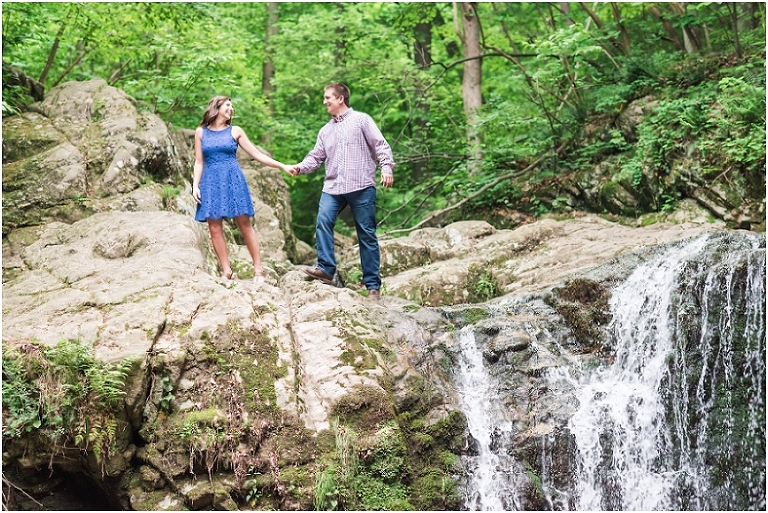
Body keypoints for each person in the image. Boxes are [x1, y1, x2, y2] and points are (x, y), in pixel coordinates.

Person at [291, 82, 395, 300]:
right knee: (323, 221)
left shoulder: (362, 120)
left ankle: (373, 287)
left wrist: (386, 167)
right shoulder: (325, 131)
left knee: (366, 234)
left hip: (361, 185)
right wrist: (299, 167)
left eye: (327, 97)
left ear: (340, 99)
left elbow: (381, 145)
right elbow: (315, 158)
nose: (324, 102)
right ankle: (326, 269)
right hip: (333, 187)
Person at [192, 95, 295, 283]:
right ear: (216, 107)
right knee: (214, 227)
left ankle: (258, 271)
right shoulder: (200, 132)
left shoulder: (235, 131)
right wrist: (194, 186)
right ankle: (226, 271)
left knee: (244, 224)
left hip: (233, 180)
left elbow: (257, 155)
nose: (231, 109)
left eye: (232, 106)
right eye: (227, 105)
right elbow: (199, 161)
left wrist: (282, 166)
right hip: (210, 181)